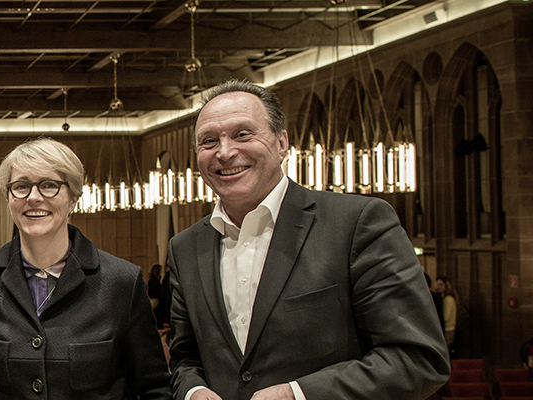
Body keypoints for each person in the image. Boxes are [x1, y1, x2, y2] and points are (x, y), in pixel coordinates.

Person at [167, 79, 450, 400]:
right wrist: (193, 390)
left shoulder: (357, 222)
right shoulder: (185, 247)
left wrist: (299, 394)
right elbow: (185, 358)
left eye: (243, 134)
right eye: (208, 141)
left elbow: (418, 359)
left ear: (282, 142)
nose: (225, 151)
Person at [0, 138, 170, 399]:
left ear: (73, 199)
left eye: (49, 185)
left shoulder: (122, 282)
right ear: (8, 198)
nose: (33, 197)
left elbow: (154, 387)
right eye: (21, 186)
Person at [434, 277, 458, 350]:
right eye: (437, 284)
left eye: (440, 284)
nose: (438, 287)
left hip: (448, 329)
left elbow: (446, 317)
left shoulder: (448, 299)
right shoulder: (446, 298)